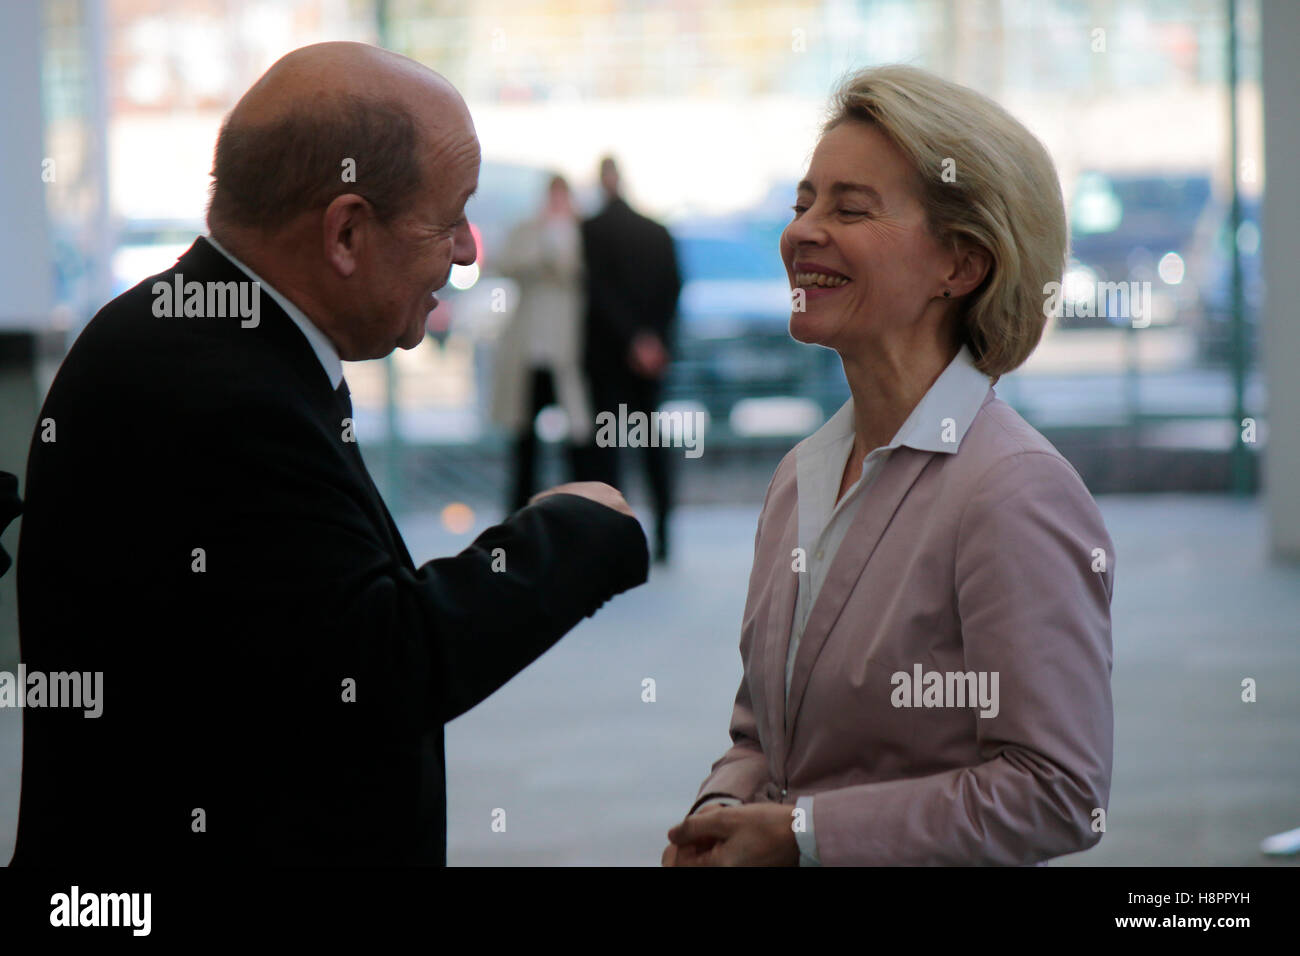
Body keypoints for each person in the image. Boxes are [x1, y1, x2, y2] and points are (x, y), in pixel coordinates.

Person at [11, 42, 648, 867]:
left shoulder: (198, 335)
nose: (465, 252)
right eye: (449, 219)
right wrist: (571, 531)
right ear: (346, 231)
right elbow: (375, 665)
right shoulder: (219, 386)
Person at [663, 64, 1115, 866]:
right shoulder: (801, 476)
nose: (801, 231)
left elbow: (1056, 793)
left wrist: (803, 837)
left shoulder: (1013, 491)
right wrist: (722, 808)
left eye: (850, 207)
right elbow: (764, 734)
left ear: (962, 266)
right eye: (804, 202)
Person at [578, 157, 681, 562]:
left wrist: (630, 338)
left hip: (606, 361)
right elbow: (673, 287)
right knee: (653, 446)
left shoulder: (589, 231)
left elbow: (597, 292)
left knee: (607, 450)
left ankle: (612, 538)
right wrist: (651, 340)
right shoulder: (658, 232)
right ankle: (664, 536)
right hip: (650, 361)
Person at [489, 174, 591, 513]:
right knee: (524, 440)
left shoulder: (582, 232)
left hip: (566, 348)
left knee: (575, 440)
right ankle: (519, 512)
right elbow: (505, 263)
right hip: (530, 349)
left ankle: (577, 508)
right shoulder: (528, 230)